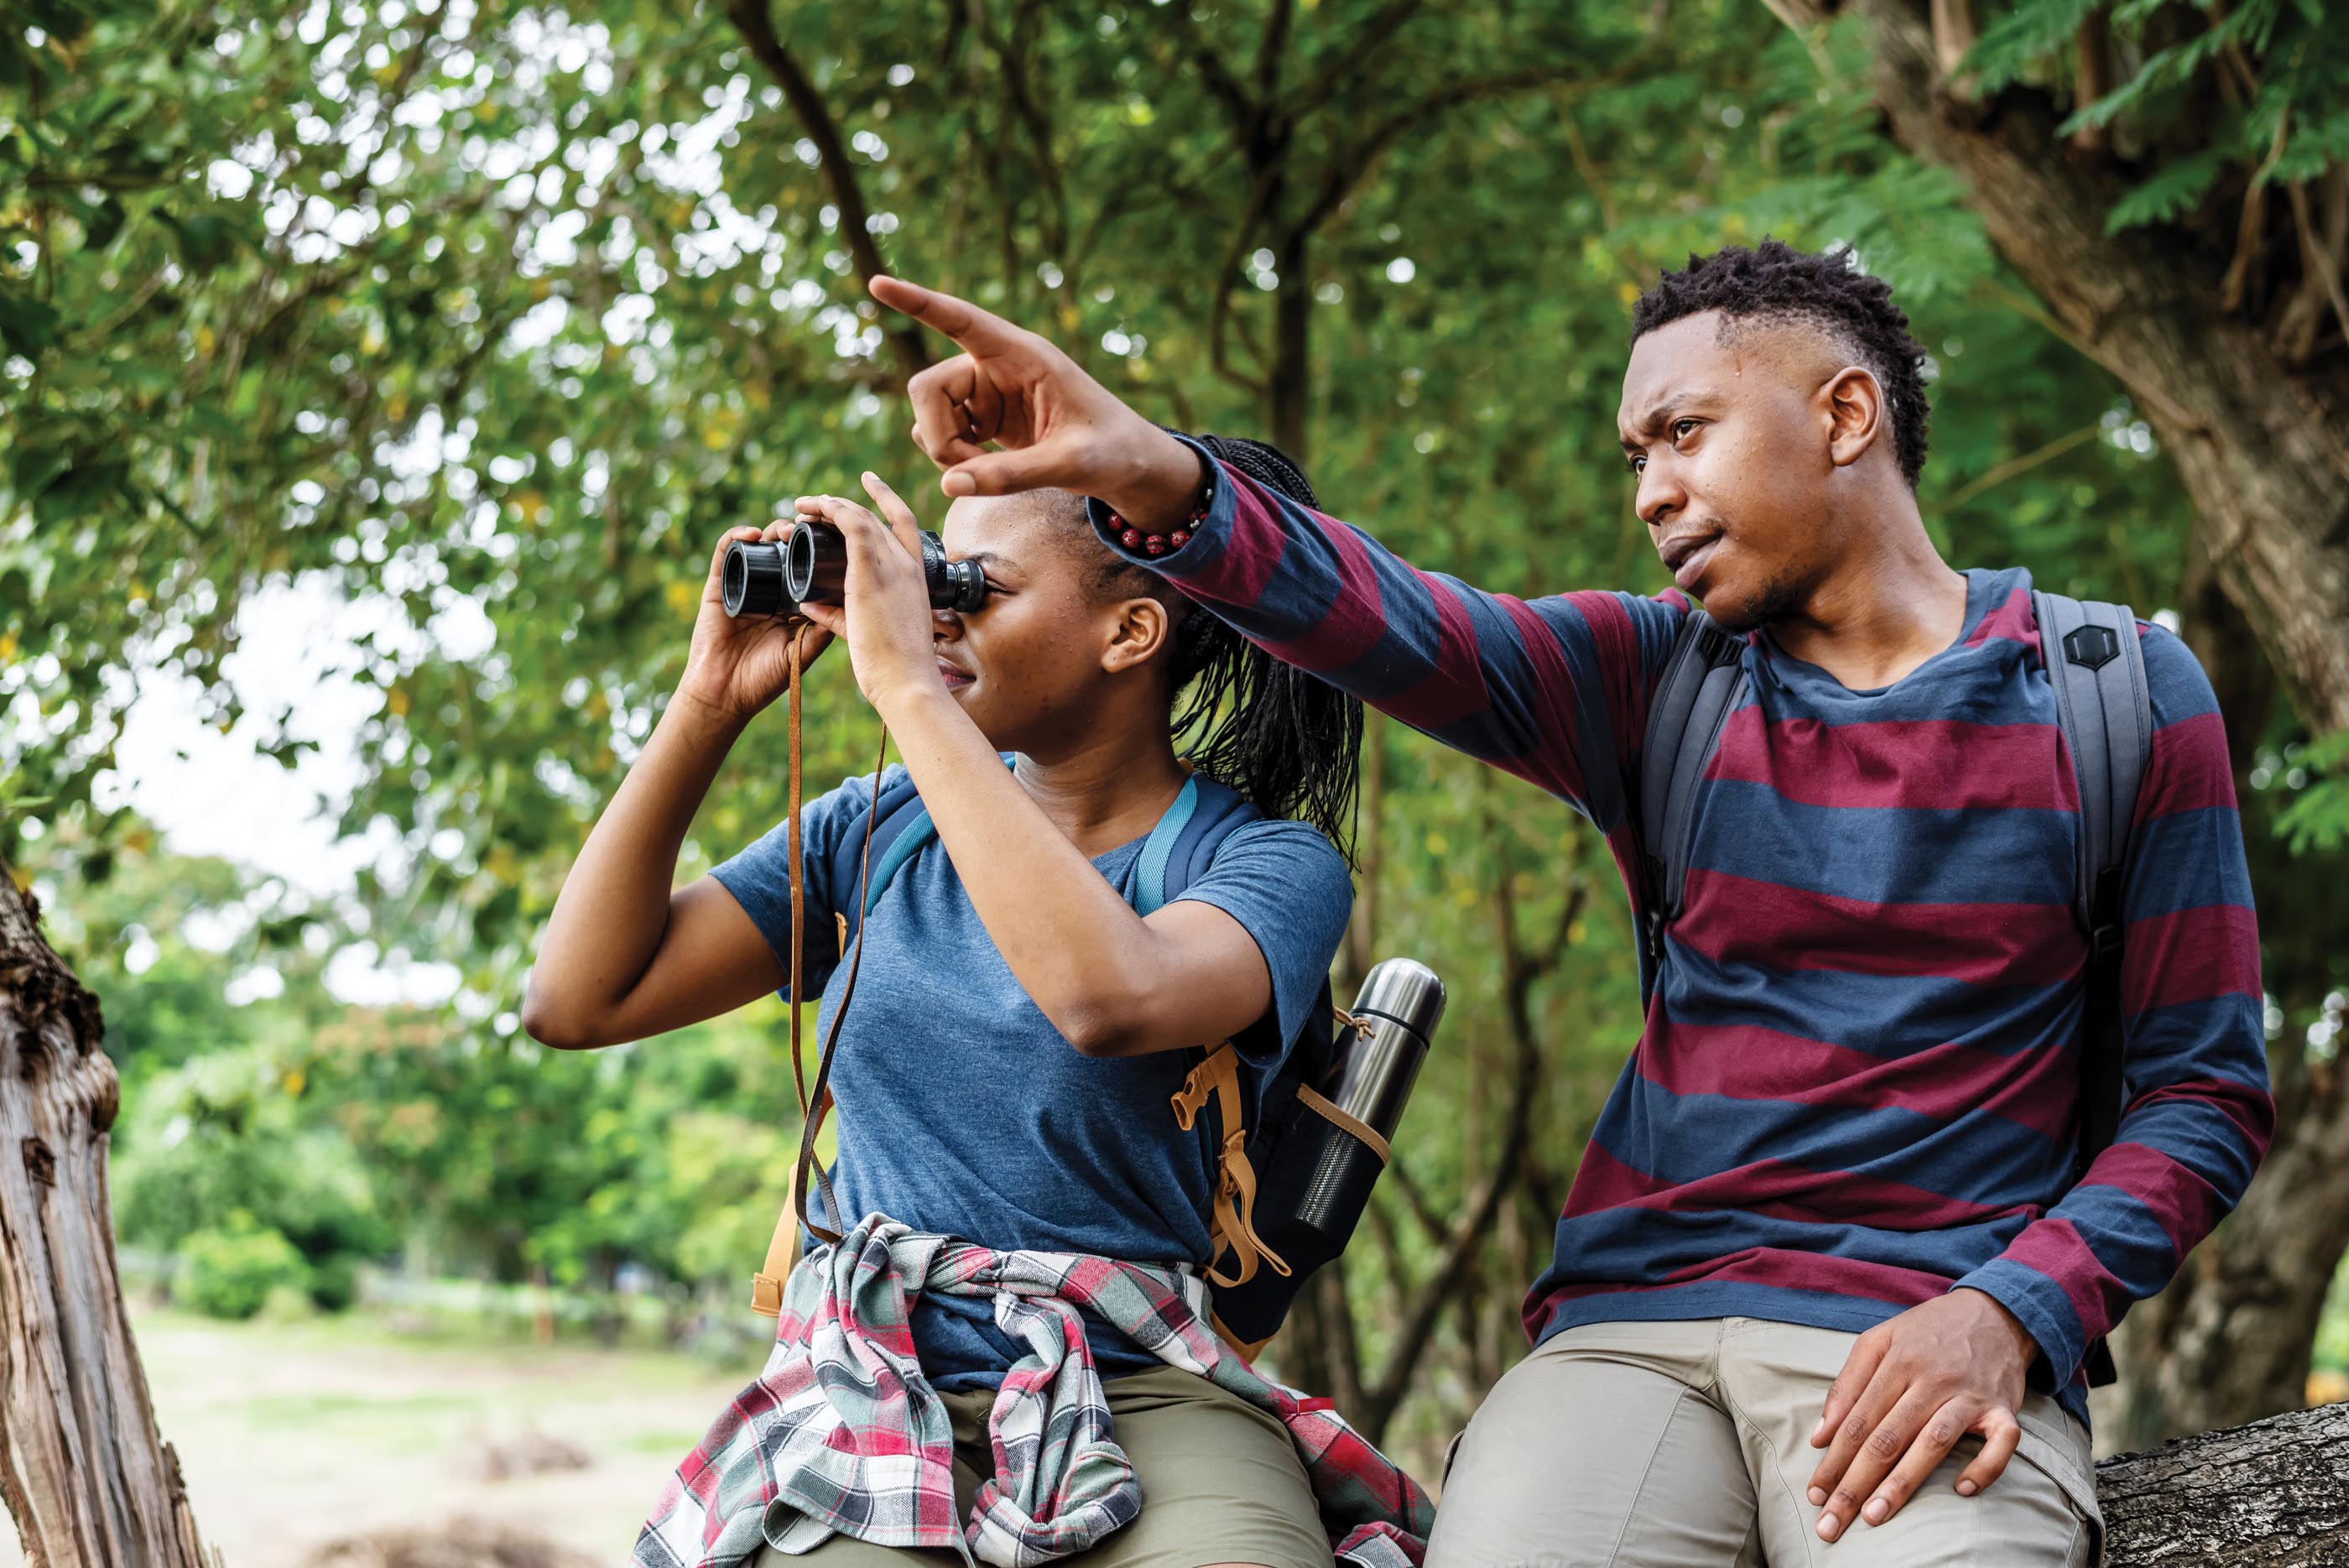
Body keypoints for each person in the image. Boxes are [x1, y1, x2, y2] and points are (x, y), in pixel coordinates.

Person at [865, 240, 2276, 1567]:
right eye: (1634, 455)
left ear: (1845, 415)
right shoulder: (1655, 679)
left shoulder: (2117, 696)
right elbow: (1396, 620)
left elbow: (2204, 1095)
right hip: (1630, 1338)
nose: (1650, 490)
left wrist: (2013, 1310)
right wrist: (1158, 481)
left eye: (1685, 433)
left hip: (1926, 1334)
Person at [520, 445, 1430, 1568]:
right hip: (877, 1374)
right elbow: (577, 996)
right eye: (926, 582)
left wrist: (904, 680)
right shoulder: (875, 834)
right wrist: (708, 701)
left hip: (1141, 1381)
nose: (930, 617)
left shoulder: (1264, 866)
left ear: (1128, 633)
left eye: (968, 589)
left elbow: (1107, 995)